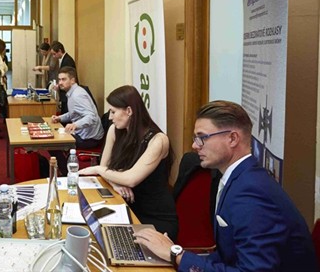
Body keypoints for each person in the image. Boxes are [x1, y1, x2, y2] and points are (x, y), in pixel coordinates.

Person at [133, 100, 317, 271]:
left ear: (232, 139)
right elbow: (229, 256)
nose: (195, 145)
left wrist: (176, 254)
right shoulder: (239, 177)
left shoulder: (251, 193)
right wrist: (171, 253)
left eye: (202, 137)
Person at [79, 85, 178, 240]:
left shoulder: (158, 140)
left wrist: (98, 170)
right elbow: (107, 170)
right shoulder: (114, 130)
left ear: (129, 111)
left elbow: (130, 179)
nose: (110, 117)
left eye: (113, 112)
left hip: (153, 215)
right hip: (125, 205)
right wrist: (115, 183)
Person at [50, 66, 103, 174]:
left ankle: (67, 173)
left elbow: (91, 116)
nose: (60, 83)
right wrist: (60, 118)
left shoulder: (78, 95)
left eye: (64, 79)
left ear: (73, 80)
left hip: (89, 138)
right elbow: (73, 113)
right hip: (83, 134)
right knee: (54, 139)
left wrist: (75, 125)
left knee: (53, 144)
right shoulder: (73, 92)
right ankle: (65, 169)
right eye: (59, 79)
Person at [50, 41, 76, 114]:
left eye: (54, 54)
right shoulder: (64, 59)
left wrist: (59, 85)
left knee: (67, 112)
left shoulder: (67, 60)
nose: (53, 56)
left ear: (60, 51)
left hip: (68, 93)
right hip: (65, 93)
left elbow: (68, 78)